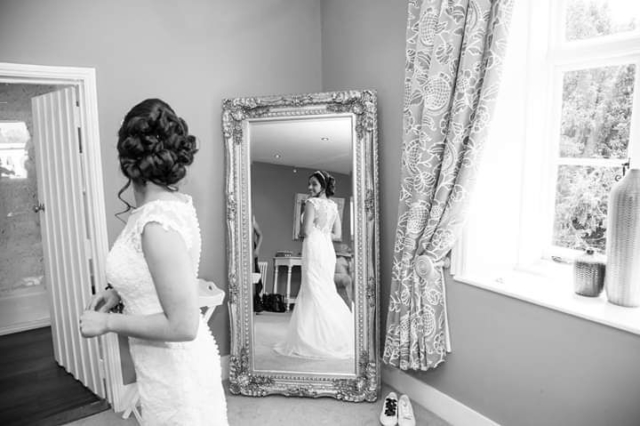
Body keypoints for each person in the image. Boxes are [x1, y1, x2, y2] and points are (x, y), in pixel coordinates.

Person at [79, 99, 228, 425]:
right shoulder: (165, 206)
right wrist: (119, 293)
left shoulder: (156, 224)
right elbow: (156, 272)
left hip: (178, 373)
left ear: (127, 160)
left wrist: (107, 323)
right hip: (159, 365)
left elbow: (183, 325)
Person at [274, 170, 354, 359]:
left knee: (312, 289)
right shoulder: (333, 206)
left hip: (314, 247)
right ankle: (333, 335)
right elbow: (337, 234)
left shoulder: (311, 203)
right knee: (324, 289)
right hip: (327, 249)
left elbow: (306, 230)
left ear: (323, 186)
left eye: (314, 184)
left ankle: (311, 338)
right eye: (309, 184)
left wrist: (310, 232)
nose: (310, 188)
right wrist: (323, 233)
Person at [252, 215, 264, 312]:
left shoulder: (252, 219)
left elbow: (260, 235)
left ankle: (256, 303)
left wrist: (257, 249)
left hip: (252, 248)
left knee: (254, 272)